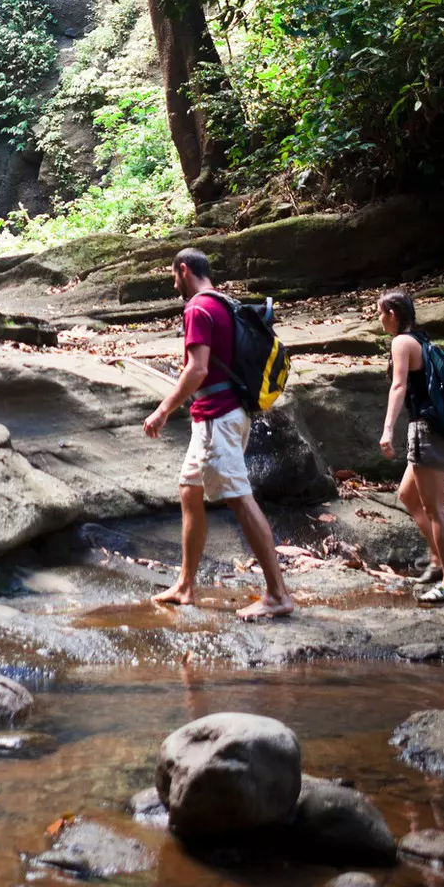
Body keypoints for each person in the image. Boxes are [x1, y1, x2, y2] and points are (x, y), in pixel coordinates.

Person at [143, 247, 295, 621]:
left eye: (173, 275)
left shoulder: (197, 308)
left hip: (217, 418)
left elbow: (197, 370)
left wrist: (162, 411)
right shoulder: (224, 303)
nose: (172, 282)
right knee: (190, 490)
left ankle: (277, 594)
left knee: (240, 498)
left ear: (184, 270)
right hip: (223, 414)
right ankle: (185, 585)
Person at [378, 288, 444, 604]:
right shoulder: (422, 340)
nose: (379, 320)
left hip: (427, 432)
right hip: (435, 430)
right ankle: (439, 559)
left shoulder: (402, 342)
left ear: (392, 314)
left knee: (434, 507)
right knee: (407, 495)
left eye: (381, 314)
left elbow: (399, 385)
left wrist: (387, 429)